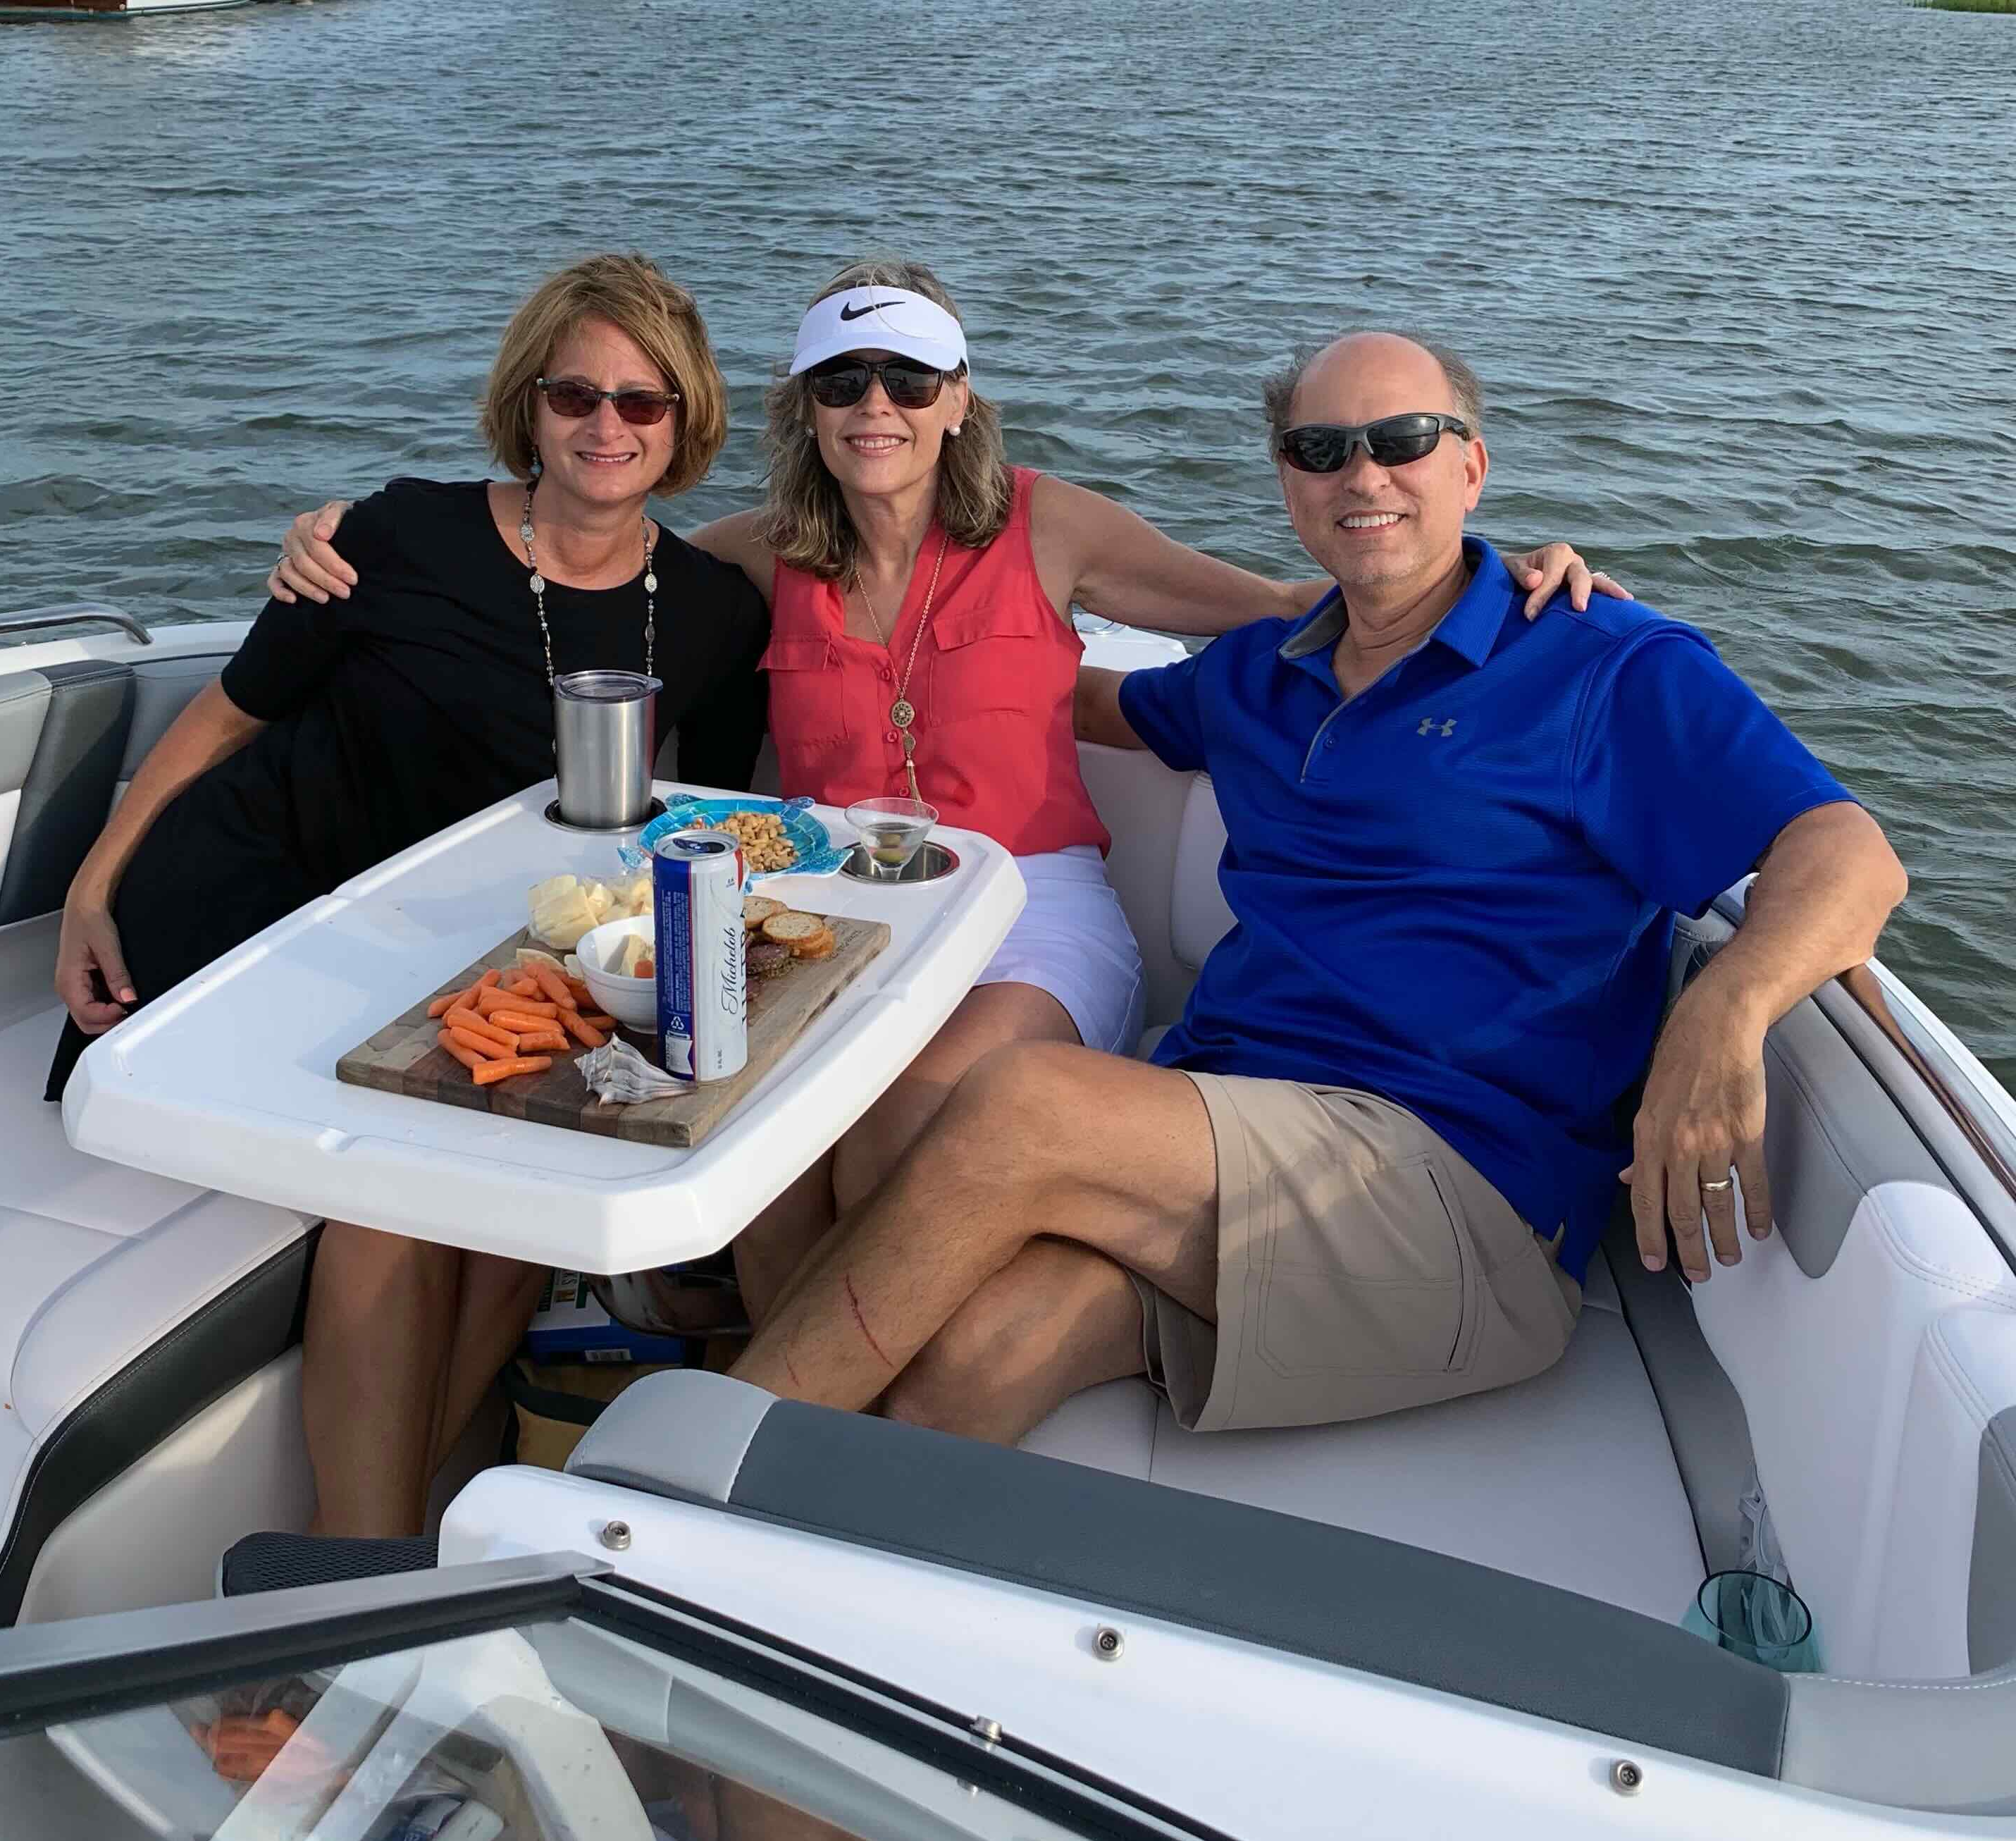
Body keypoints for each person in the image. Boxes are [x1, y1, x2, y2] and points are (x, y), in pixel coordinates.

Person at [271, 266, 1618, 1326]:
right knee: (760, 1118)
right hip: (824, 919)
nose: (879, 405)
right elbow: (577, 557)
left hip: (1033, 908)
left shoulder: (1049, 526)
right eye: (844, 378)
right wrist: (358, 540)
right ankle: (792, 1352)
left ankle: (820, 1377)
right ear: (806, 405)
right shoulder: (753, 557)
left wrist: (1530, 575)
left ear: (957, 396)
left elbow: (1290, 602)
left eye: (908, 376)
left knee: (908, 1121)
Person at [724, 328, 1909, 1446]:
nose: (1364, 475)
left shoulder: (1600, 663)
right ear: (1288, 484)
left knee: (1021, 1103)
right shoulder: (1259, 674)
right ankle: (796, 1580)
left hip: (1461, 1193)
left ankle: (684, 1474)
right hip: (1236, 1140)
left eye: (1402, 441)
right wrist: (887, 672)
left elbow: (1848, 851)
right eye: (1321, 449)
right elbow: (1071, 704)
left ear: (1471, 466)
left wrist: (1727, 1006)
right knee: (970, 1358)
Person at [51, 253, 771, 1534]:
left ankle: (374, 1545)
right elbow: (231, 714)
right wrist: (92, 886)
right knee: (416, 1190)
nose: (606, 426)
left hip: (450, 957)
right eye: (575, 396)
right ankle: (367, 1557)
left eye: (643, 404)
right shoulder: (391, 538)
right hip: (248, 915)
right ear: (528, 408)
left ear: (685, 424)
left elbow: (712, 837)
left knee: (505, 1206)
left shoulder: (711, 612)